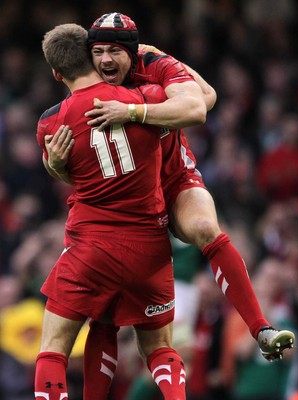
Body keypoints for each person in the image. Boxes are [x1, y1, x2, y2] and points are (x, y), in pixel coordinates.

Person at [50, 12, 295, 400]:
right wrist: (55, 165)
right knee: (106, 311)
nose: (106, 60)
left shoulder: (153, 63)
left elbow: (203, 104)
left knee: (204, 228)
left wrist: (133, 112)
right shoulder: (87, 84)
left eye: (115, 50)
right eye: (98, 51)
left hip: (172, 179)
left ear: (133, 50)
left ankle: (261, 329)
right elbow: (78, 164)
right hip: (123, 203)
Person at [34, 22, 200, 400]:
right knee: (158, 348)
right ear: (94, 53)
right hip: (150, 247)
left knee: (53, 349)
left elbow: (72, 172)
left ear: (57, 73)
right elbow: (198, 103)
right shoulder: (147, 97)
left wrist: (54, 166)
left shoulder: (50, 122)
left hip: (92, 246)